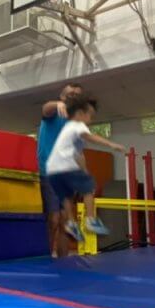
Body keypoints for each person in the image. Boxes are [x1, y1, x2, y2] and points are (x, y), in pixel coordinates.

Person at [45, 94, 126, 242]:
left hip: (52, 170)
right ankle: (90, 220)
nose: (91, 120)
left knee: (66, 196)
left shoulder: (67, 128)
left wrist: (83, 170)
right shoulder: (78, 125)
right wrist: (111, 144)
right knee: (89, 188)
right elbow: (91, 137)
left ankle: (71, 223)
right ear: (80, 114)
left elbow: (77, 155)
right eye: (90, 116)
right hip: (65, 166)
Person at [37, 82, 84, 258]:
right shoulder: (54, 112)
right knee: (54, 219)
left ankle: (64, 262)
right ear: (62, 95)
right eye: (70, 93)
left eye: (77, 95)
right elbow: (45, 108)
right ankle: (47, 258)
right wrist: (57, 104)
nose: (73, 96)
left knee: (66, 221)